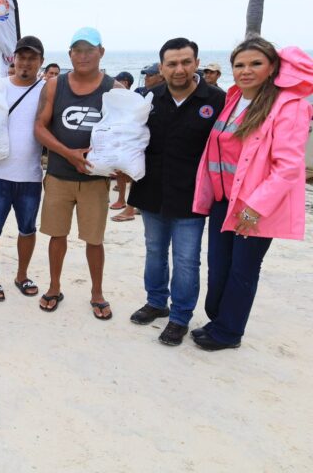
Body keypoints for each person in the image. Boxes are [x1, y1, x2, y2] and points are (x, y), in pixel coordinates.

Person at [191, 38, 313, 350]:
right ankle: (219, 320)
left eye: (255, 64)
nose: (246, 71)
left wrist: (255, 207)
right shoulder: (234, 98)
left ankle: (229, 332)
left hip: (252, 206)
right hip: (222, 200)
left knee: (242, 271)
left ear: (273, 68)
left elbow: (288, 166)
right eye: (240, 65)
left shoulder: (289, 106)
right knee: (218, 267)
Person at [125, 38, 225, 346]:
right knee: (154, 251)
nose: (179, 69)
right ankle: (156, 302)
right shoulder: (149, 98)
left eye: (185, 62)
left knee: (186, 259)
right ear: (161, 68)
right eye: (172, 64)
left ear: (196, 63)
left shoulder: (217, 101)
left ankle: (180, 317)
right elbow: (131, 138)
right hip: (151, 190)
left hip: (192, 196)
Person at [34, 27, 122, 318]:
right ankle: (54, 286)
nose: (83, 56)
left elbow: (127, 133)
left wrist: (118, 166)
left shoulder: (114, 89)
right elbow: (39, 127)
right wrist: (68, 154)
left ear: (101, 52)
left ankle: (97, 293)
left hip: (95, 180)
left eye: (89, 50)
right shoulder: (55, 86)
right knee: (56, 236)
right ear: (70, 53)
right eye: (77, 50)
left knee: (94, 240)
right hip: (59, 175)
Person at [0, 36, 45, 301]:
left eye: (32, 58)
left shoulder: (46, 89)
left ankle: (21, 275)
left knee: (27, 229)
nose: (26, 63)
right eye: (21, 57)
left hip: (30, 176)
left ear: (41, 62)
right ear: (13, 59)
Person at [109, 71, 137, 214]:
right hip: (116, 137)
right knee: (118, 171)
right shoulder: (114, 98)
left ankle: (131, 203)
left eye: (117, 81)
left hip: (130, 139)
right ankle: (121, 199)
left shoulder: (135, 98)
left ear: (125, 82)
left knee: (133, 173)